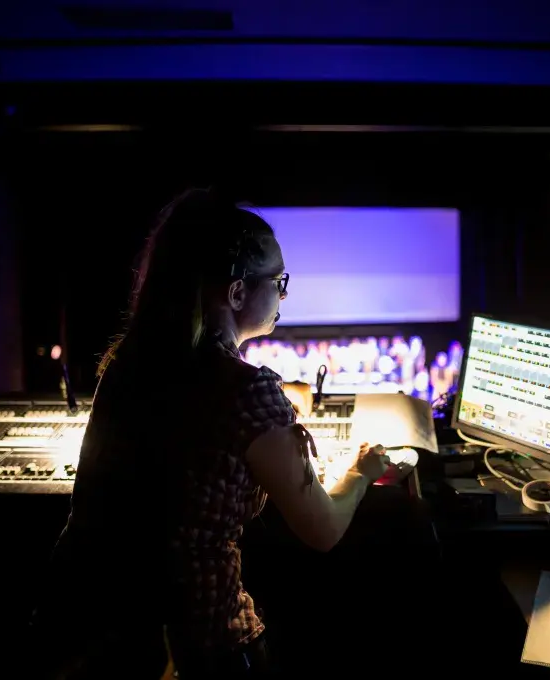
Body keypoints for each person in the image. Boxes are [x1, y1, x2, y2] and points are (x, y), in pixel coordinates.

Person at [31, 189, 390, 679]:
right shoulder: (247, 392)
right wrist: (362, 470)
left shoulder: (128, 364)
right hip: (195, 648)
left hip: (83, 631)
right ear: (237, 292)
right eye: (278, 281)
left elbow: (196, 423)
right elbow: (322, 529)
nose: (284, 295)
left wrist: (279, 404)